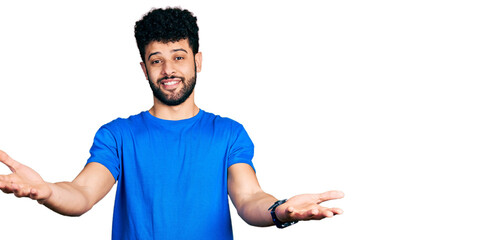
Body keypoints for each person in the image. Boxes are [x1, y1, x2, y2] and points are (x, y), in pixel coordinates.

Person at [0, 7, 344, 239]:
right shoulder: (118, 136)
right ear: (144, 69)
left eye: (178, 57)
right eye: (156, 60)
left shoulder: (227, 133)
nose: (168, 71)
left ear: (197, 60)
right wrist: (46, 191)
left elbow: (249, 197)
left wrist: (279, 210)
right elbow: (83, 193)